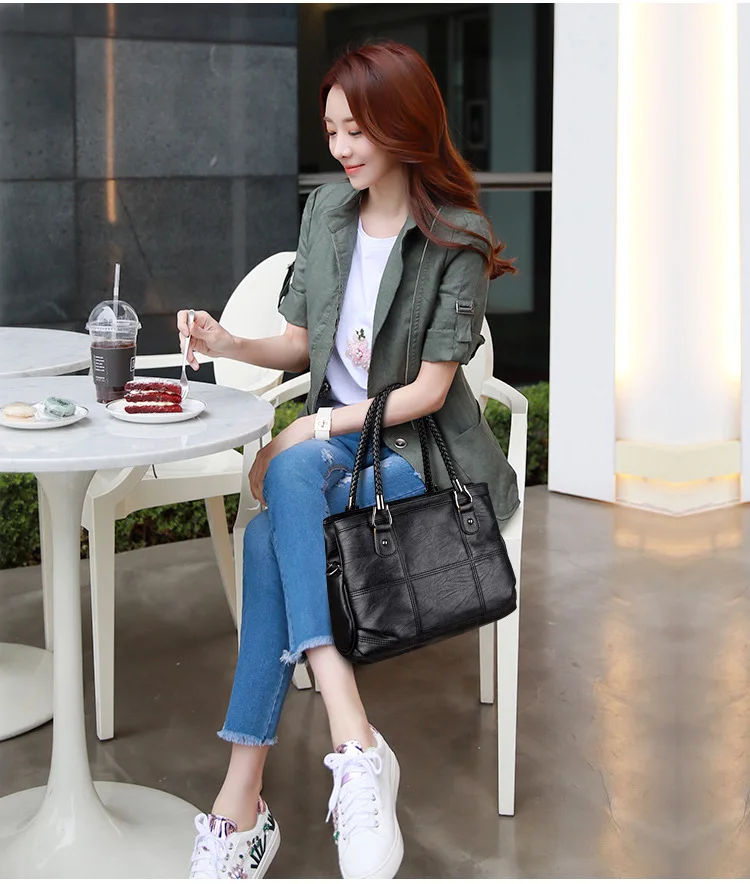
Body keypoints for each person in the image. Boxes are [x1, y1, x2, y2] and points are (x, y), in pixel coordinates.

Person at [178, 39, 520, 880]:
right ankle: (343, 745)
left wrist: (311, 428)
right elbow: (300, 342)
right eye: (331, 130)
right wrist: (229, 342)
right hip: (341, 455)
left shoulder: (457, 235)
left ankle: (253, 799)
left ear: (402, 123)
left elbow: (429, 393)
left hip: (420, 459)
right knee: (275, 524)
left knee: (283, 494)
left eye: (355, 129)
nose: (340, 147)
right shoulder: (328, 212)